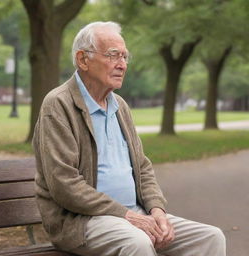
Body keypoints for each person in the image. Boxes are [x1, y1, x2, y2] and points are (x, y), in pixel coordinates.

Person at [32, 21, 226, 256]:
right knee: (137, 242)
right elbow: (64, 184)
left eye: (125, 57)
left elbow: (142, 167)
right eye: (114, 55)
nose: (122, 65)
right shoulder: (58, 105)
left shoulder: (120, 106)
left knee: (209, 238)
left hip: (134, 213)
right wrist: (128, 216)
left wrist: (157, 211)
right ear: (83, 60)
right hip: (82, 222)